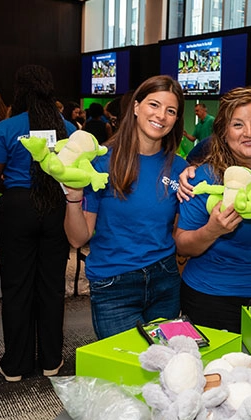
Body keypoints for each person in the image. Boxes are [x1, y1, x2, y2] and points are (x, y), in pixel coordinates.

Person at [63, 75, 187, 340]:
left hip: (164, 279)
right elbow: (77, 237)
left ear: (176, 119)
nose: (161, 115)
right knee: (125, 373)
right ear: (135, 107)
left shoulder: (179, 168)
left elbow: (181, 232)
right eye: (154, 105)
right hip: (114, 283)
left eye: (171, 110)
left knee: (165, 368)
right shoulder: (101, 162)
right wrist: (73, 196)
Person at [0, 65, 77, 382]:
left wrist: (15, 191)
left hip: (17, 208)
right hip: (56, 209)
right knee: (51, 287)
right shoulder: (65, 127)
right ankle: (51, 360)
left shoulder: (7, 128)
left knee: (17, 287)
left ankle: (16, 365)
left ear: (19, 90)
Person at [174, 87, 251, 333]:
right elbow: (183, 245)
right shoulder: (203, 177)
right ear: (224, 132)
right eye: (237, 125)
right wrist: (212, 230)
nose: (249, 133)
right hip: (212, 297)